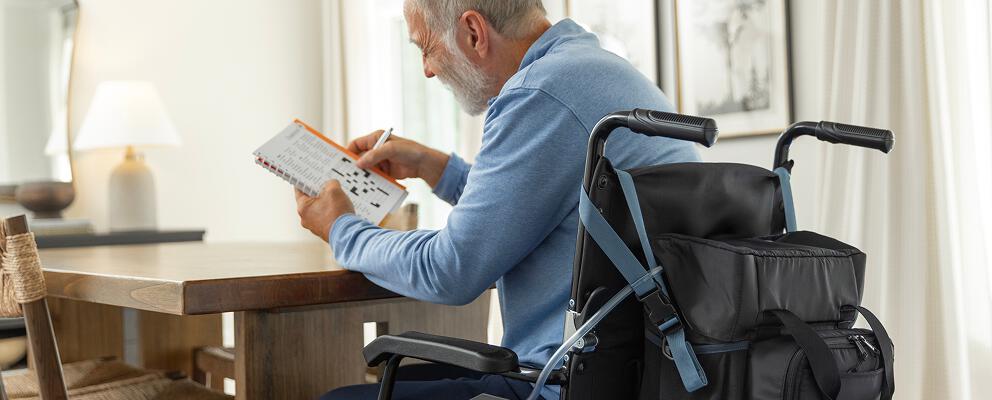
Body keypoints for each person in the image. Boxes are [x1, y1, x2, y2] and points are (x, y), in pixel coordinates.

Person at [298, 1, 700, 399]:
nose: (426, 69)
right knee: (402, 379)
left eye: (426, 47)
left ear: (473, 32)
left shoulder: (539, 92)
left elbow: (449, 269)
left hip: (561, 383)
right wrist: (437, 168)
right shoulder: (595, 72)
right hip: (642, 375)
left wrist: (341, 228)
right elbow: (531, 208)